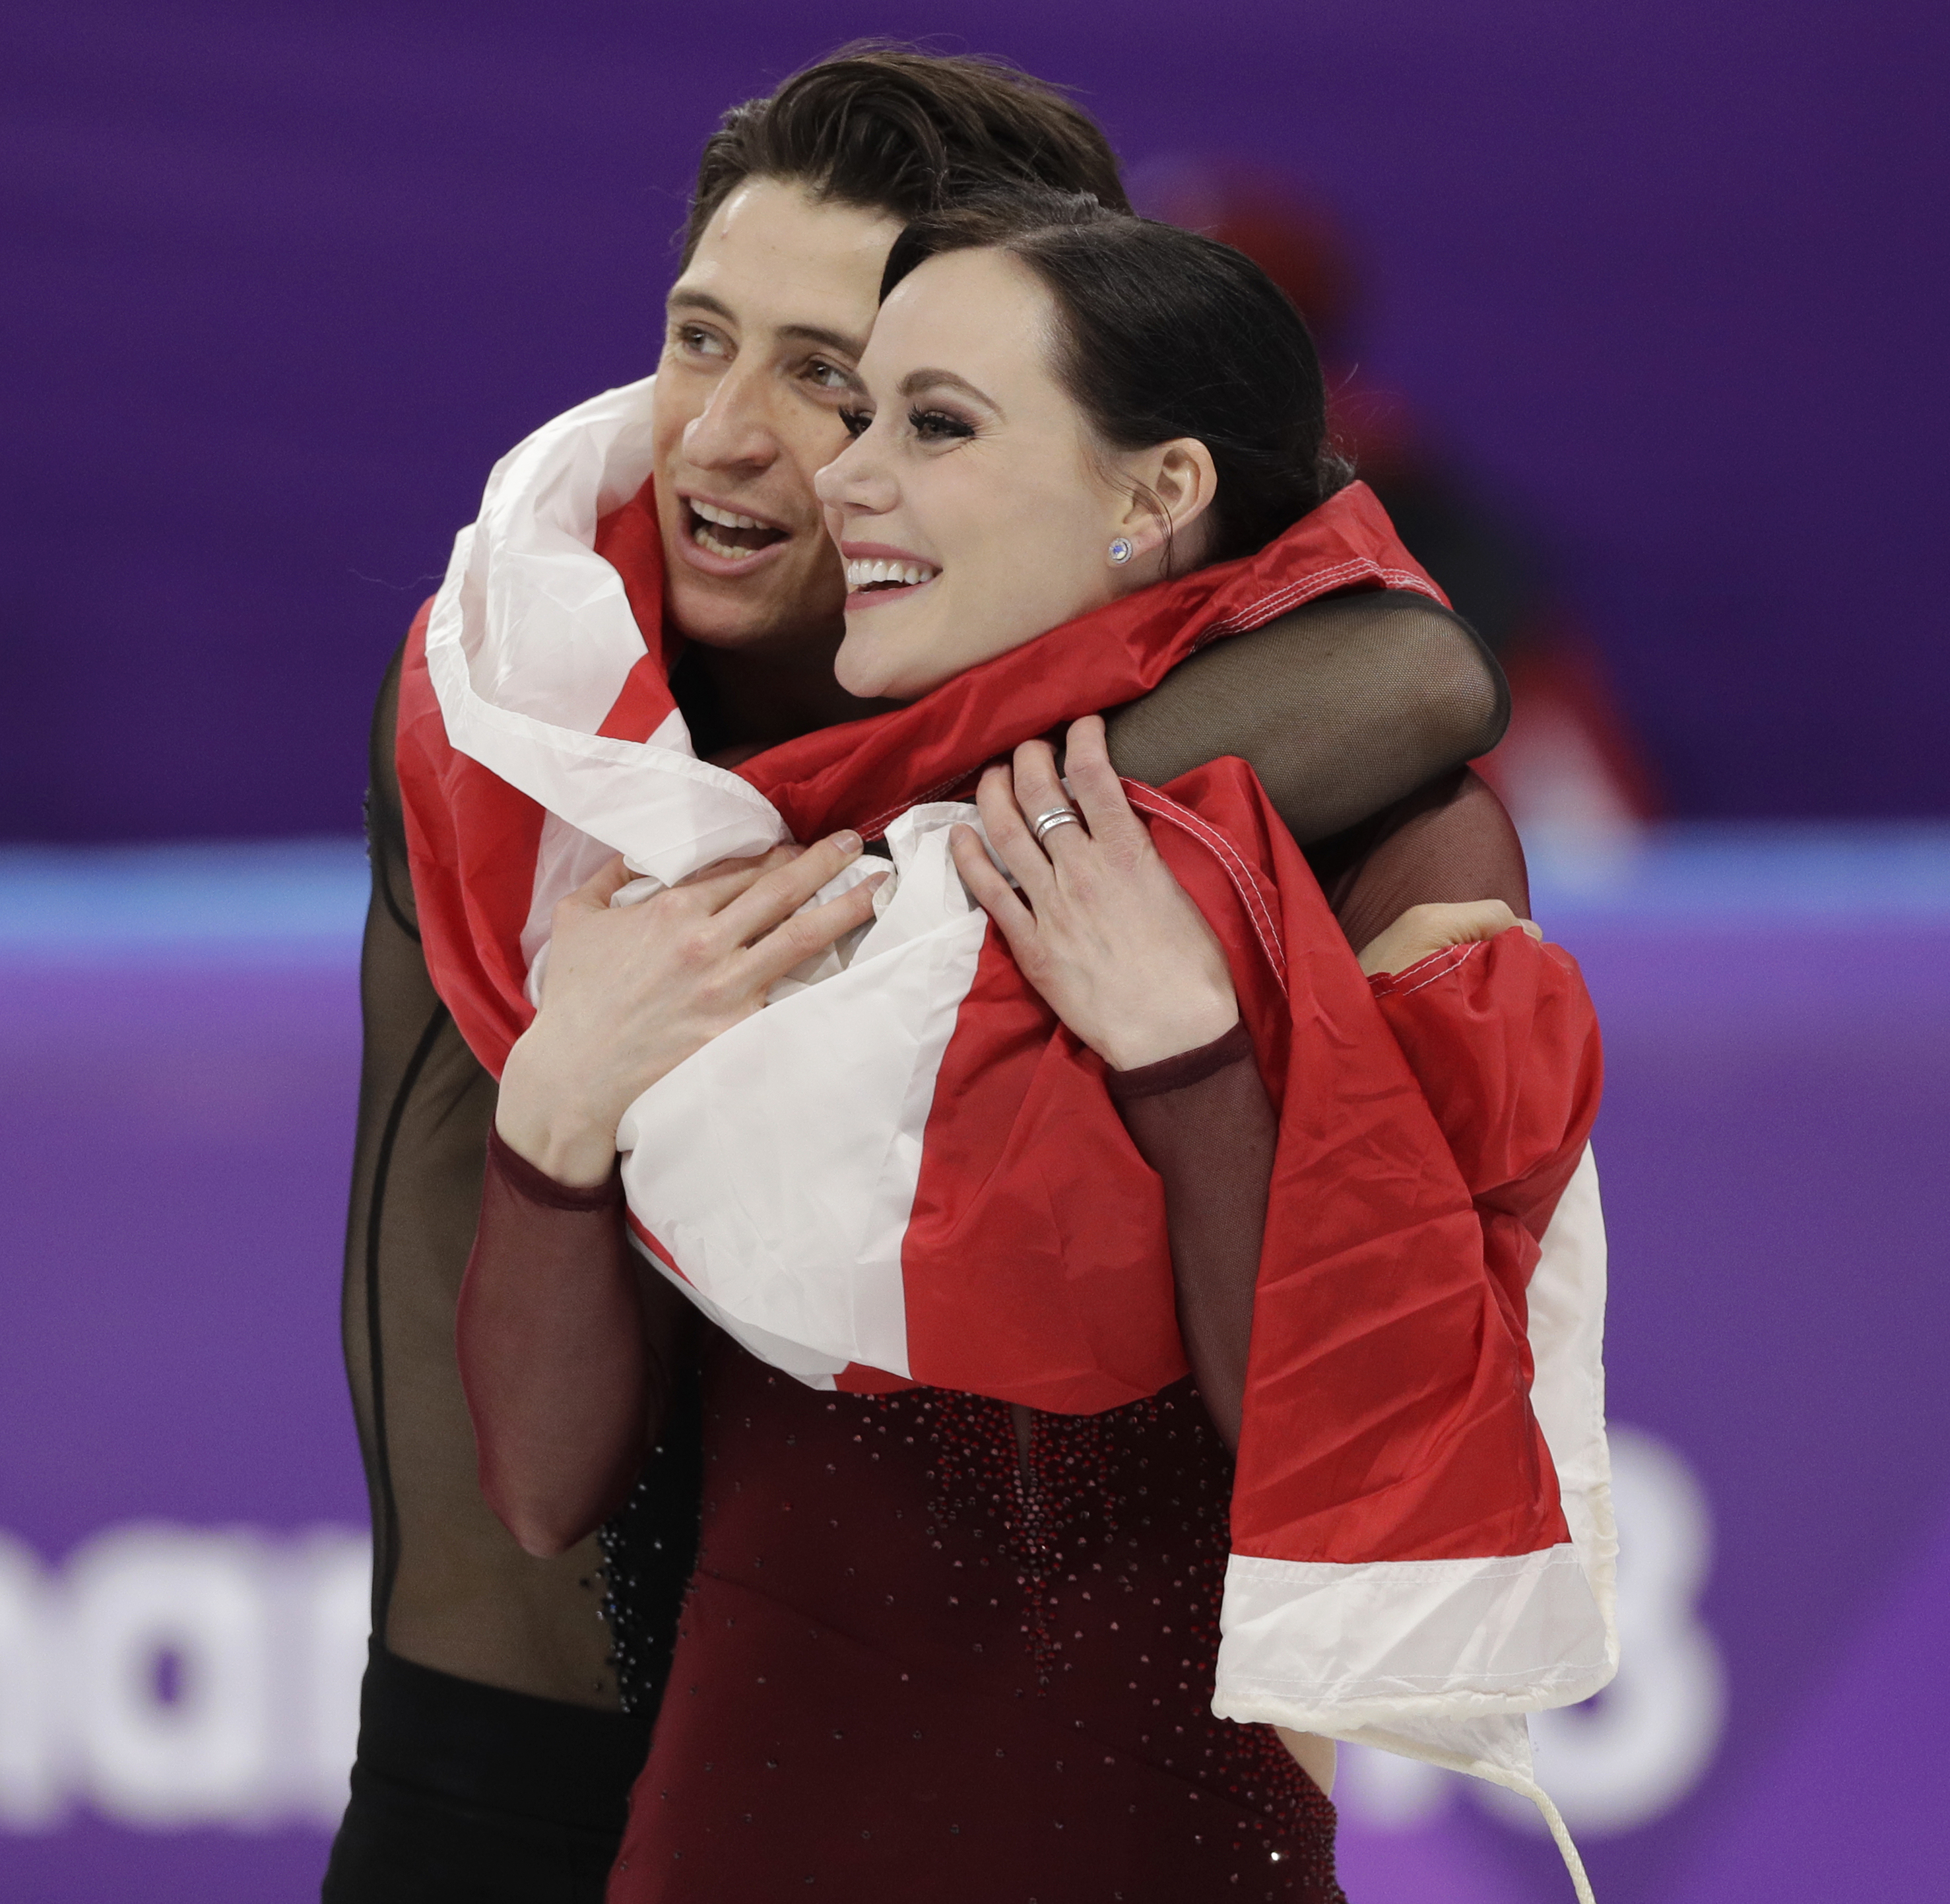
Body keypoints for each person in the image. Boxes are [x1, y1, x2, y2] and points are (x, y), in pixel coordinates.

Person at [328, 46, 1515, 1901]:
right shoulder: (524, 707)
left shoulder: (1227, 757)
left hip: (1087, 1806)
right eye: (697, 335)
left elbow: (1413, 675)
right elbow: (544, 1479)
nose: (726, 436)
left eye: (846, 384)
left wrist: (1156, 1021)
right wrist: (565, 1106)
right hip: (518, 1757)